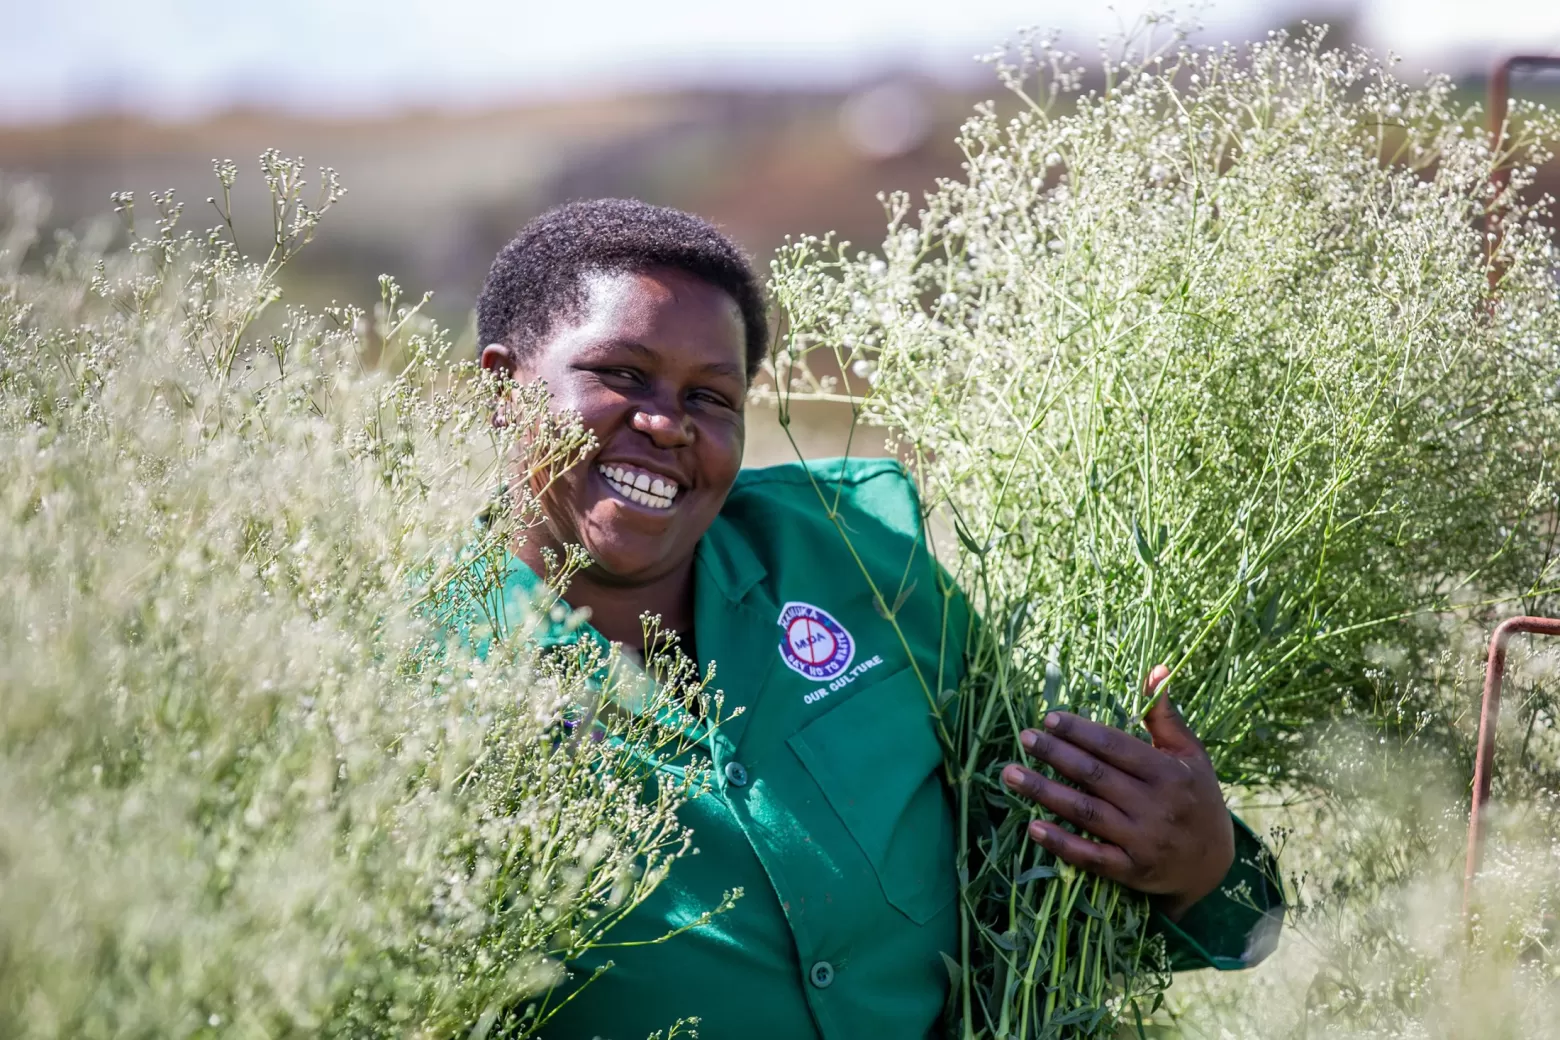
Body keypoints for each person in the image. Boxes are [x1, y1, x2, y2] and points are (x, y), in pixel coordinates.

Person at [472, 198, 1283, 1039]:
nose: (667, 423)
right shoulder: (412, 684)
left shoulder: (860, 560)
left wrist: (1202, 867)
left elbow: (1073, 878)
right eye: (622, 374)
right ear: (503, 387)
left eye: (711, 396)